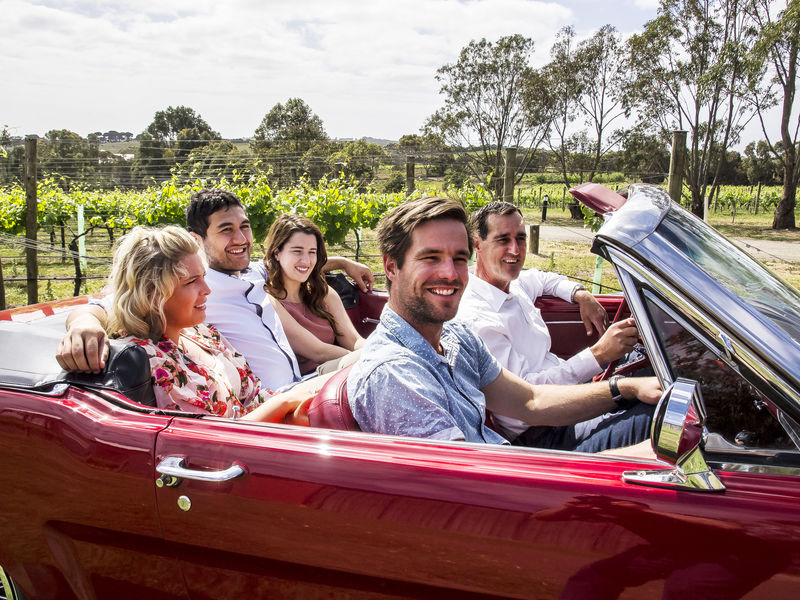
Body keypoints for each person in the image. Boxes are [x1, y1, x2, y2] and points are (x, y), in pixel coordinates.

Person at [347, 196, 662, 452]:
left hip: (514, 460)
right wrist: (624, 460)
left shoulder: (457, 337)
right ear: (391, 267)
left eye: (459, 258)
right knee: (663, 428)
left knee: (660, 410)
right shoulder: (394, 375)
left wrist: (625, 388)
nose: (451, 273)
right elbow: (468, 486)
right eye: (430, 258)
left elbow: (531, 401)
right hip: (521, 485)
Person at [57, 189, 373, 392]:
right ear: (198, 239)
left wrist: (344, 263)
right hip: (272, 402)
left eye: (244, 227)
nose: (241, 239)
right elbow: (110, 301)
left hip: (298, 385)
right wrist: (83, 324)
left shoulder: (252, 271)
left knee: (380, 370)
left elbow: (294, 262)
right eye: (226, 230)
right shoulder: (190, 280)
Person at [457, 201, 653, 450]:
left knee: (646, 362)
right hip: (545, 433)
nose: (515, 250)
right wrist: (599, 354)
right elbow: (527, 401)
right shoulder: (478, 319)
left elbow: (543, 278)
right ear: (477, 245)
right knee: (658, 415)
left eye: (520, 239)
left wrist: (580, 294)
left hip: (571, 397)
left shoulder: (511, 282)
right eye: (502, 240)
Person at [106, 225, 323, 422]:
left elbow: (254, 396)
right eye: (191, 282)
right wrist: (284, 403)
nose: (207, 289)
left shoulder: (203, 333)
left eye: (203, 276)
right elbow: (207, 441)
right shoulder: (153, 360)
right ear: (152, 294)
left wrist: (301, 400)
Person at [263, 214, 364, 375]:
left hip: (340, 374)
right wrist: (368, 360)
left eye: (312, 252)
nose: (306, 260)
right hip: (307, 382)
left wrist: (376, 351)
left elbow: (354, 340)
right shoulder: (270, 301)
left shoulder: (323, 293)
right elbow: (318, 352)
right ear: (277, 253)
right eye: (297, 251)